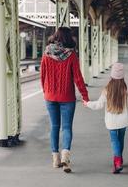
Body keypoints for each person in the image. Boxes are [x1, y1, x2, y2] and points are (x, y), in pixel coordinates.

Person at [83, 63, 128, 174]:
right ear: (123, 76)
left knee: (114, 141)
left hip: (111, 122)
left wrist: (87, 103)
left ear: (112, 75)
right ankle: (119, 159)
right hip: (123, 121)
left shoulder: (107, 89)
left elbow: (99, 104)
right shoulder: (125, 88)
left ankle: (117, 161)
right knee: (120, 140)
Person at [40, 27, 89, 173]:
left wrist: (46, 91)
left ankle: (55, 159)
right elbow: (78, 78)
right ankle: (65, 158)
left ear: (56, 36)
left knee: (54, 127)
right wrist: (85, 96)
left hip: (50, 96)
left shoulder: (47, 53)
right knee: (66, 128)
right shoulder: (71, 55)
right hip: (67, 97)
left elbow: (42, 76)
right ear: (68, 38)